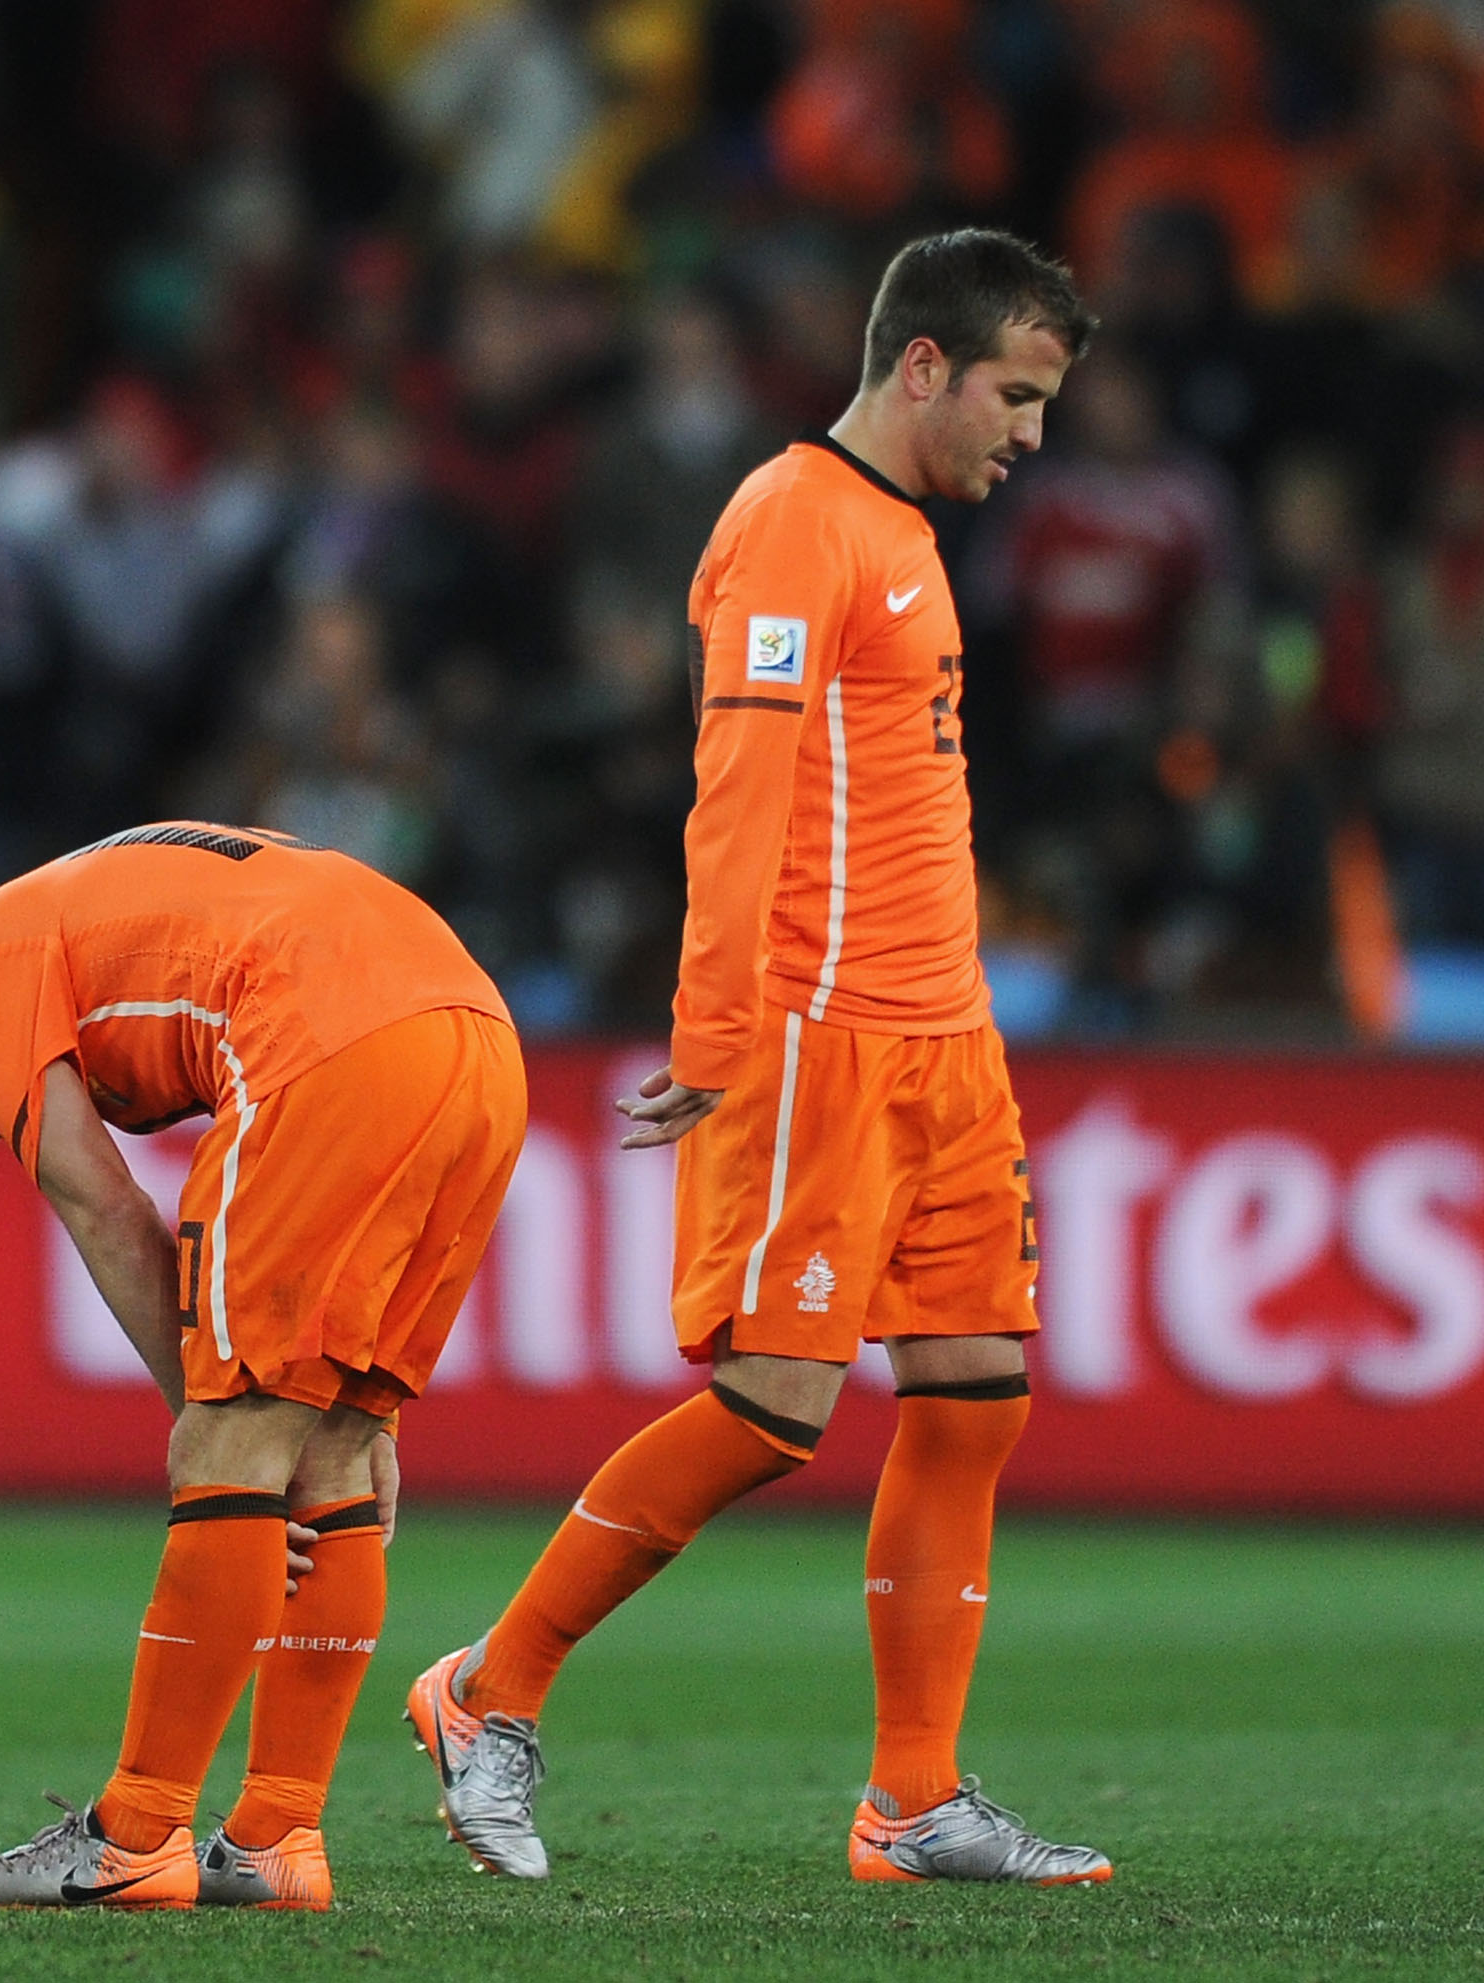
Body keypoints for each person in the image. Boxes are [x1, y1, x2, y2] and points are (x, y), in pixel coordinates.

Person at [404, 230, 1116, 1888]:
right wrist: (719, 1028)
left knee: (975, 1391)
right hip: (819, 1029)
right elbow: (739, 790)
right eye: (1017, 394)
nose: (1032, 433)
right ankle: (486, 1689)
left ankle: (912, 1798)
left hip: (950, 1032)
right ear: (923, 366)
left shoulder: (906, 537)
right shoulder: (795, 518)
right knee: (771, 1407)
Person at [0, 822, 525, 1910]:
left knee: (233, 1440)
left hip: (325, 1031)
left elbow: (106, 1207)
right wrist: (350, 1417)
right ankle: (276, 1840)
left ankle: (134, 1835)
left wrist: (213, 1420)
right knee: (336, 1446)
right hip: (480, 1037)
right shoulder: (61, 910)